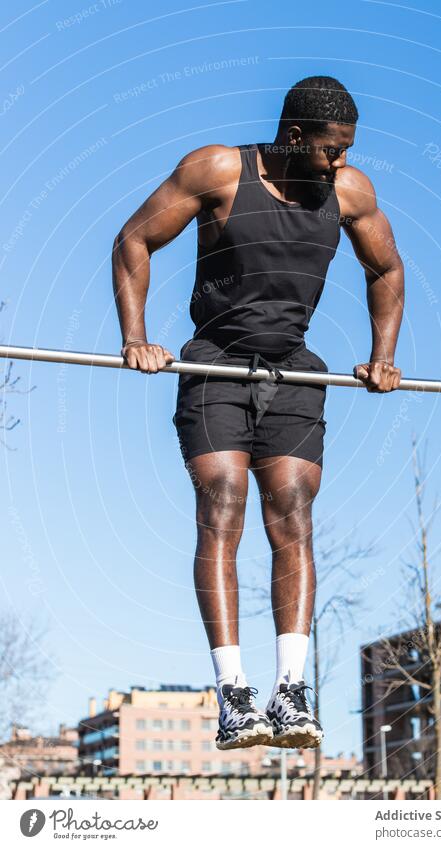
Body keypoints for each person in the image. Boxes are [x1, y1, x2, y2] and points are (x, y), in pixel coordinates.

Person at [112, 75, 404, 751]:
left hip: (294, 367)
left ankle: (290, 690)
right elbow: (133, 240)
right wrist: (136, 338)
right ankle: (234, 693)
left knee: (294, 515)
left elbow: (385, 269)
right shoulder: (216, 170)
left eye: (348, 150)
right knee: (221, 502)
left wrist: (380, 355)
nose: (341, 163)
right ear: (296, 136)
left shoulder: (351, 192)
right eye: (332, 149)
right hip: (213, 362)